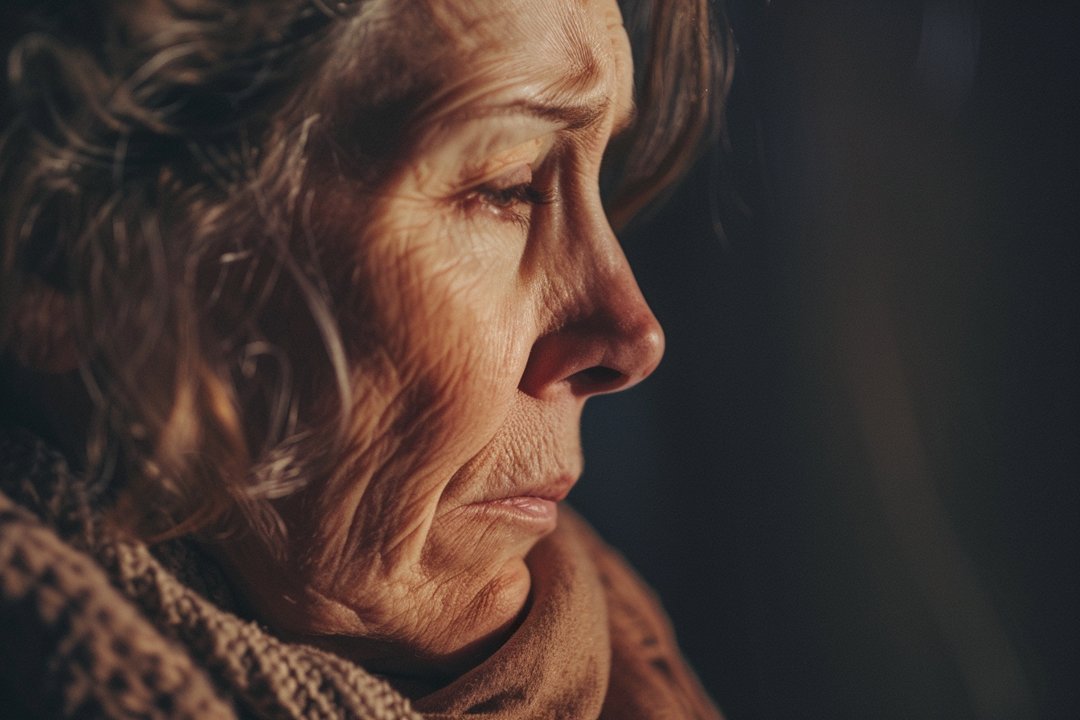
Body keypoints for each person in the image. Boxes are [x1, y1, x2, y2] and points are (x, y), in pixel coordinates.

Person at [0, 0, 729, 717]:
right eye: (507, 185)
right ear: (62, 251)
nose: (637, 336)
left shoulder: (629, 662)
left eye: (600, 177)